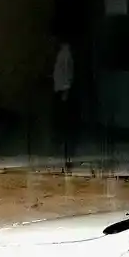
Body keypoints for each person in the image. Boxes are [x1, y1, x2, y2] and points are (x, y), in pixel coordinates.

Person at [50, 34, 78, 168]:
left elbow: (68, 74)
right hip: (61, 91)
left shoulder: (65, 55)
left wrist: (66, 91)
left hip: (63, 92)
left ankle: (68, 156)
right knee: (63, 125)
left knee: (66, 125)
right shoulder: (63, 54)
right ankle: (66, 154)